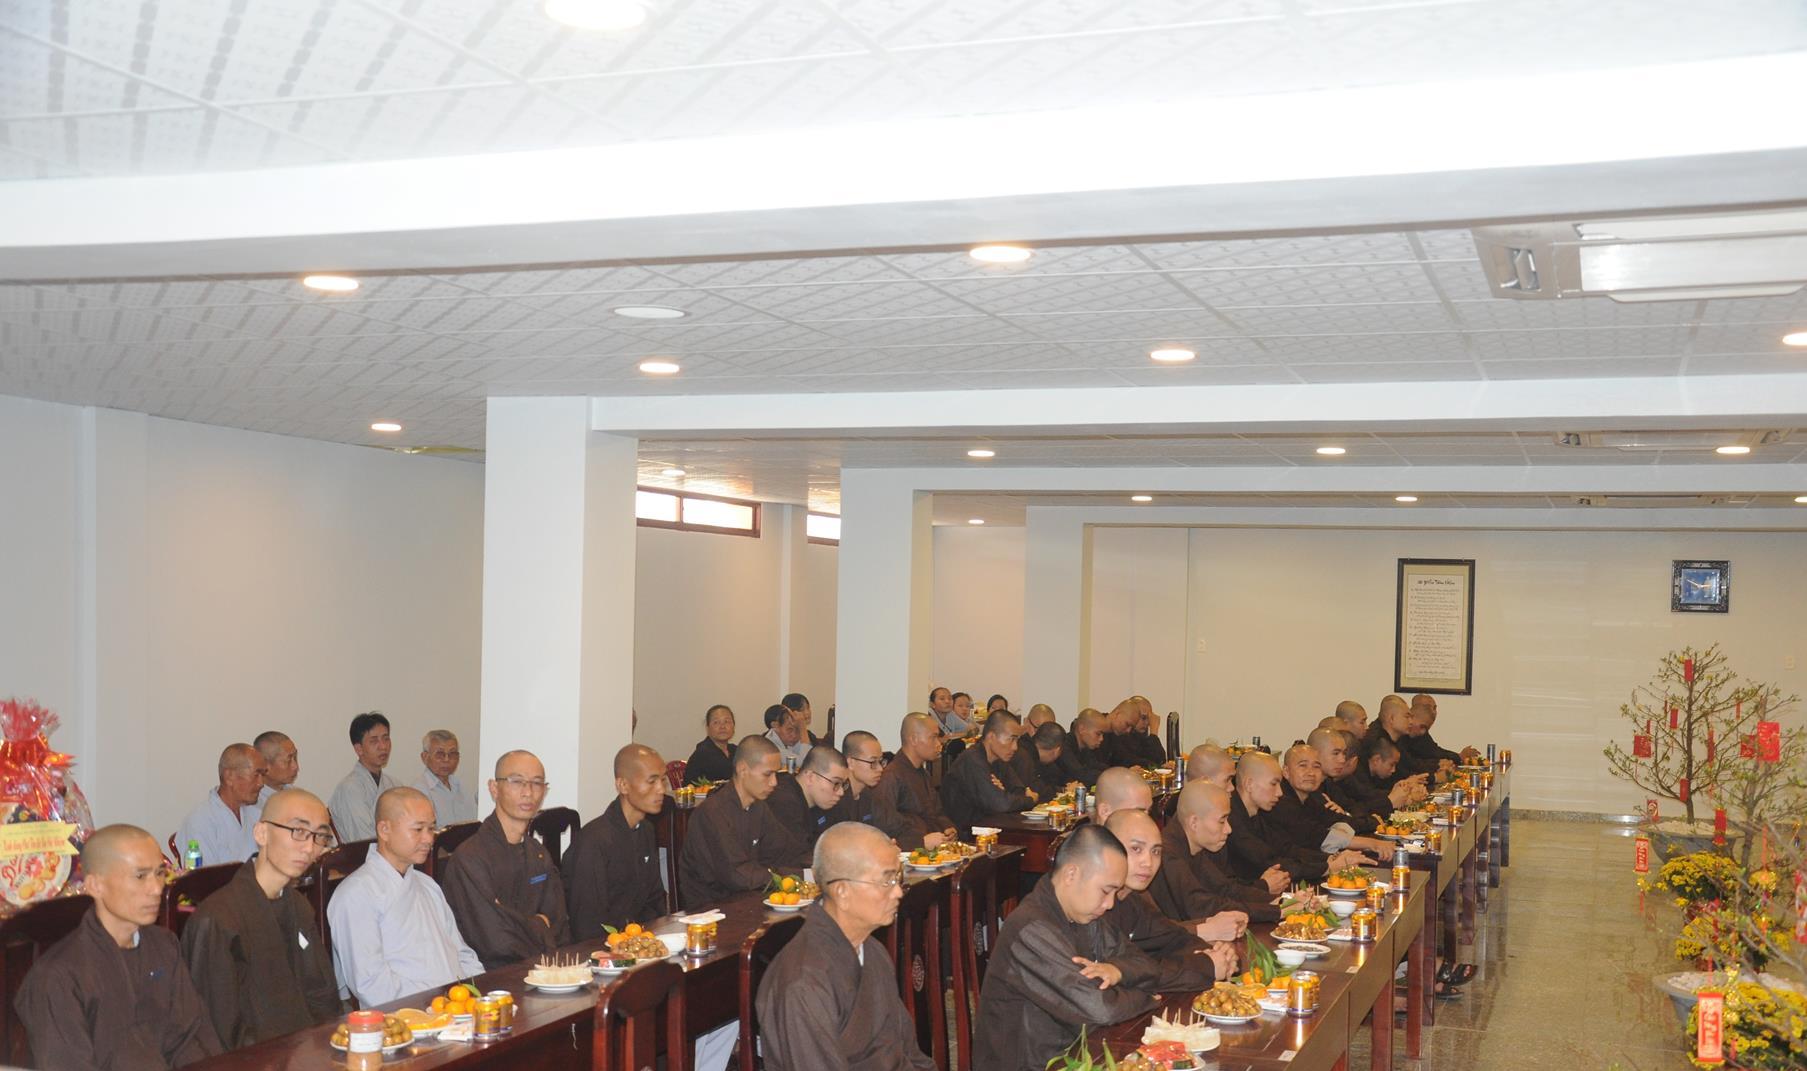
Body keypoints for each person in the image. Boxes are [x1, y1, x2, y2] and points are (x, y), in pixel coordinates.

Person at [16, 825, 221, 1069]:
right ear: (95, 885)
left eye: (160, 873)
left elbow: (192, 1038)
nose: (157, 888)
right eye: (140, 876)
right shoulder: (57, 976)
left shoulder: (164, 946)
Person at [974, 825, 1164, 1071]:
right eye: (1106, 891)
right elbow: (1100, 1009)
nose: (1110, 904)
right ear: (1071, 874)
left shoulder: (1084, 914)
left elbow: (1146, 966)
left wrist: (1117, 971)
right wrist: (1145, 998)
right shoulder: (1030, 930)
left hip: (1080, 1053)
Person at [756, 824, 936, 1071]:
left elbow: (910, 1052)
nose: (897, 892)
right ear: (842, 891)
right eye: (886, 880)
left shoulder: (873, 951)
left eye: (897, 878)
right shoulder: (802, 982)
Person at [181, 788, 339, 1049]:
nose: (310, 847)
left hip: (307, 1050)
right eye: (298, 831)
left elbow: (323, 994)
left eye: (320, 836)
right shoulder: (218, 919)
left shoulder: (298, 906)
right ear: (261, 833)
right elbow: (217, 1028)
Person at [328, 787, 485, 1005]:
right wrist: (435, 1005)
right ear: (384, 829)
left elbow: (462, 953)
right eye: (418, 829)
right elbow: (370, 984)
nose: (428, 839)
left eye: (431, 828)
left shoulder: (427, 885)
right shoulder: (355, 894)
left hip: (456, 1007)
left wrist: (477, 993)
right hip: (405, 1016)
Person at [441, 750, 572, 969]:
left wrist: (515, 921)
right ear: (494, 788)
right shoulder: (470, 858)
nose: (528, 792)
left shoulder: (538, 853)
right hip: (490, 977)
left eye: (536, 783)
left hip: (543, 970)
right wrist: (539, 924)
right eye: (517, 781)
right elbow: (495, 940)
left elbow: (559, 925)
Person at [1100, 809, 1237, 985]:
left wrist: (1218, 954)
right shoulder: (1094, 906)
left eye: (1156, 851)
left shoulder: (1132, 899)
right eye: (1136, 849)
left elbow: (1175, 939)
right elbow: (1132, 972)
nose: (1148, 862)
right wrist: (1207, 965)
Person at [678, 735, 799, 909]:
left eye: (776, 774)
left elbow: (784, 850)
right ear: (743, 770)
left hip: (748, 899)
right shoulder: (712, 813)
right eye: (768, 774)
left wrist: (811, 872)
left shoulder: (758, 807)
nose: (774, 782)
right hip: (711, 909)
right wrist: (786, 878)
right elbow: (737, 875)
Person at [564, 744, 669, 939]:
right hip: (601, 948)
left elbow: (655, 900)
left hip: (638, 941)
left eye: (663, 780)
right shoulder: (594, 841)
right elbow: (586, 923)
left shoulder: (646, 830)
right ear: (623, 785)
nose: (661, 789)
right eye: (651, 781)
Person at [1227, 752, 1372, 884]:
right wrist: (1328, 867)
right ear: (1249, 784)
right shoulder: (1232, 819)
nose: (1279, 792)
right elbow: (1270, 862)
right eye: (1273, 784)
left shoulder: (1255, 814)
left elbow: (1286, 849)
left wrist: (1331, 858)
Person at [1152, 782, 1285, 923]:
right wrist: (1275, 911)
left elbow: (1225, 889)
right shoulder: (1168, 855)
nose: (1229, 829)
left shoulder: (1193, 844)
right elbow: (1202, 907)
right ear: (1194, 822)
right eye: (1222, 821)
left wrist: (1282, 901)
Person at [1271, 744, 1389, 855]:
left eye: (1316, 767)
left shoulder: (1314, 796)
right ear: (1286, 772)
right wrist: (1372, 844)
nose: (1311, 773)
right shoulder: (1280, 799)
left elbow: (1335, 819)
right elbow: (1316, 834)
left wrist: (1371, 823)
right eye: (1303, 765)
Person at [870, 713, 957, 850]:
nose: (938, 743)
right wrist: (920, 841)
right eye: (933, 737)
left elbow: (936, 811)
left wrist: (947, 828)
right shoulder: (891, 776)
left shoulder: (923, 774)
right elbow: (885, 828)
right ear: (914, 739)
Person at [940, 711, 1035, 835]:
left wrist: (1004, 793)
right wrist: (1030, 799)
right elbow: (1001, 804)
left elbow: (1019, 791)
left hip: (991, 828)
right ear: (991, 737)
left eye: (1017, 740)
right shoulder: (972, 760)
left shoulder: (998, 760)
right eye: (1011, 739)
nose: (1015, 747)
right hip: (966, 834)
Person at [175, 743, 266, 865]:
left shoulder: (257, 813)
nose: (261, 783)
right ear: (229, 777)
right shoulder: (200, 821)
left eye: (263, 775)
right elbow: (203, 874)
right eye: (256, 775)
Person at [766, 745, 851, 863]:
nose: (841, 792)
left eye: (843, 784)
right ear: (810, 777)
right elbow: (796, 857)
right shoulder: (783, 802)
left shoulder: (824, 801)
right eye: (836, 783)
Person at [328, 711, 398, 842]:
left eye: (386, 738)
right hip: (362, 854)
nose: (383, 746)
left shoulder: (394, 784)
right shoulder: (349, 788)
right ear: (358, 749)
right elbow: (363, 839)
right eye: (374, 741)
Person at [414, 729, 475, 825]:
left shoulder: (459, 785)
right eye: (440, 754)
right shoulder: (419, 791)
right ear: (425, 757)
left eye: (452, 754)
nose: (446, 759)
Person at [835, 730, 893, 829]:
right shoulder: (835, 799)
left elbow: (892, 824)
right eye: (873, 762)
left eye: (880, 761)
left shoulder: (869, 794)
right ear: (851, 763)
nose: (880, 769)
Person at [686, 704, 738, 784]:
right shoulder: (703, 753)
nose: (722, 726)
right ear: (708, 728)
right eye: (716, 722)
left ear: (733, 726)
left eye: (727, 721)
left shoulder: (736, 750)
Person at [1056, 710, 1110, 786]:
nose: (1101, 739)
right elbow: (1080, 774)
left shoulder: (1085, 748)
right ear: (1082, 729)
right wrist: (1110, 776)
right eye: (1098, 734)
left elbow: (1095, 765)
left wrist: (1116, 772)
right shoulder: (1063, 746)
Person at [253, 731, 299, 805]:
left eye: (295, 757)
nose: (295, 767)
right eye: (288, 760)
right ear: (265, 765)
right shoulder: (254, 803)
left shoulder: (296, 794)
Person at [1028, 722, 1069, 798]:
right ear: (1057, 751)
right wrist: (1064, 790)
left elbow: (1056, 779)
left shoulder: (1041, 760)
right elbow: (1037, 789)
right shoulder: (1025, 758)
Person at [764, 704, 811, 770]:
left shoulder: (788, 740)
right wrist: (802, 728)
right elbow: (805, 764)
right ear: (775, 726)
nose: (794, 735)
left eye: (797, 730)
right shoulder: (770, 746)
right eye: (790, 730)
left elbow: (812, 760)